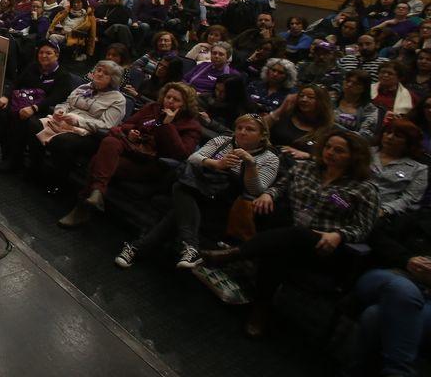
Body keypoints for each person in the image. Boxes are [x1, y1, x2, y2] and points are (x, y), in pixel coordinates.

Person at [203, 130, 380, 337]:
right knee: (279, 247)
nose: (330, 152)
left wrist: (338, 235)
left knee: (294, 236)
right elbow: (279, 187)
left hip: (326, 247)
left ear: (354, 156)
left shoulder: (365, 189)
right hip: (290, 239)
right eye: (328, 147)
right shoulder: (305, 168)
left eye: (339, 150)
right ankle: (260, 309)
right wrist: (269, 195)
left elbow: (362, 228)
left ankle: (236, 254)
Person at [115, 114, 280, 270]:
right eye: (239, 128)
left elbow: (256, 190)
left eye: (250, 129)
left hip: (224, 199)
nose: (242, 132)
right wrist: (217, 164)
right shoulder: (223, 140)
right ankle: (188, 247)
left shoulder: (269, 158)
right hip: (200, 186)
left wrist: (250, 164)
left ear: (263, 135)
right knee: (182, 192)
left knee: (180, 193)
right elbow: (194, 157)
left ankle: (136, 248)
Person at [56, 82, 204, 228]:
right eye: (168, 96)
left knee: (97, 161)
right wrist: (132, 132)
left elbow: (181, 154)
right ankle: (95, 195)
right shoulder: (153, 108)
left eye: (176, 100)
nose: (170, 101)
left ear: (185, 104)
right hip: (132, 148)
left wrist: (167, 124)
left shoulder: (192, 126)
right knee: (111, 141)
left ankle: (84, 205)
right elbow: (125, 125)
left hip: (151, 163)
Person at [347, 204, 431, 376]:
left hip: (427, 298)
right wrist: (407, 259)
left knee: (374, 317)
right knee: (404, 290)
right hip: (391, 277)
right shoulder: (420, 217)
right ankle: (399, 371)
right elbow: (376, 235)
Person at [0, 40, 77, 173]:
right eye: (41, 52)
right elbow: (16, 83)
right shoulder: (33, 67)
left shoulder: (63, 75)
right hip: (22, 100)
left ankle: (14, 158)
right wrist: (6, 96)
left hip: (43, 109)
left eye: (48, 53)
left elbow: (55, 98)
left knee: (20, 118)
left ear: (56, 55)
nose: (44, 55)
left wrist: (34, 108)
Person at [26, 61, 128, 176]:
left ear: (112, 79)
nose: (99, 74)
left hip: (89, 134)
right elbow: (67, 103)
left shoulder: (118, 100)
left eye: (106, 73)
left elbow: (107, 125)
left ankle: (59, 180)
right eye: (98, 70)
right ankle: (36, 167)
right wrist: (60, 111)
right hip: (64, 123)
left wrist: (78, 121)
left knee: (62, 141)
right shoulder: (85, 87)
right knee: (34, 124)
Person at [371, 120, 428, 218]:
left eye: (398, 136)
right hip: (347, 201)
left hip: (382, 214)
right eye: (388, 132)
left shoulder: (419, 170)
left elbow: (409, 199)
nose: (390, 137)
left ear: (409, 142)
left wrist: (384, 210)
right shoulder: (365, 152)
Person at [262, 84, 334, 158]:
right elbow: (259, 128)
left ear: (322, 102)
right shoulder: (285, 115)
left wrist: (308, 155)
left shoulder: (328, 129)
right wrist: (281, 109)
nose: (304, 99)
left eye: (311, 97)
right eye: (301, 96)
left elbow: (330, 158)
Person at [333, 70, 382, 140]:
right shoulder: (332, 101)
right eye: (347, 81)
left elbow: (365, 135)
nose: (349, 85)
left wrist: (335, 126)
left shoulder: (369, 109)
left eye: (356, 83)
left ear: (364, 89)